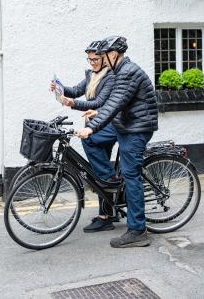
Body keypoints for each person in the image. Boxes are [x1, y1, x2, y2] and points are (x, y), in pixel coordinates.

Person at [77, 35, 158, 248]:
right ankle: (110, 188)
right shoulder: (118, 71)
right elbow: (108, 101)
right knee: (97, 144)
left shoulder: (128, 72)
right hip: (126, 125)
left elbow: (114, 104)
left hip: (137, 128)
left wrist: (91, 127)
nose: (101, 59)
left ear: (113, 54)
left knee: (131, 175)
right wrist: (93, 111)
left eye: (103, 55)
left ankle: (138, 230)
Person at [52, 41, 119, 232]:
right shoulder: (91, 75)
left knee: (90, 144)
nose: (92, 63)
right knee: (98, 172)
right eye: (89, 59)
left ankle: (111, 180)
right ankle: (106, 215)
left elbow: (99, 103)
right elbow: (75, 90)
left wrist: (73, 104)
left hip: (108, 125)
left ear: (104, 57)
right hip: (96, 125)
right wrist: (59, 87)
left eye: (96, 59)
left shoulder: (111, 77)